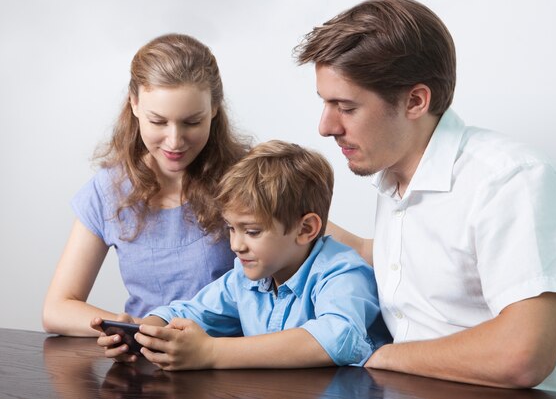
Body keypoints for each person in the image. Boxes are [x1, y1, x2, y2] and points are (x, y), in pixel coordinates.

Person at [294, 0, 556, 398]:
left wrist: (380, 357)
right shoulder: (399, 177)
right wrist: (284, 223)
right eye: (325, 103)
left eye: (345, 107)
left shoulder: (512, 181)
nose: (325, 127)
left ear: (416, 101)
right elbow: (404, 258)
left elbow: (523, 355)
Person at [91, 140, 390, 370]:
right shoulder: (244, 279)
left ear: (306, 229)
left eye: (252, 231)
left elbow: (338, 337)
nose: (236, 244)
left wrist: (211, 353)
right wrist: (145, 333)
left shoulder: (342, 272)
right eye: (232, 228)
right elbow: (189, 312)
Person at [43, 33, 249, 336]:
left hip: (232, 365)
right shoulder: (108, 190)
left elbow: (315, 237)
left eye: (192, 122)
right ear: (134, 104)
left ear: (215, 108)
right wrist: (130, 330)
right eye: (158, 121)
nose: (175, 141)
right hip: (147, 360)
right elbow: (57, 309)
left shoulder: (247, 176)